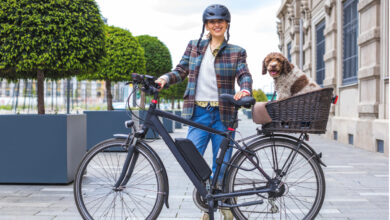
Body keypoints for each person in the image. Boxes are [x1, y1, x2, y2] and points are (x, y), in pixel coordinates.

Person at [155, 4, 252, 220]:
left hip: (223, 114)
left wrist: (245, 88)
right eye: (211, 22)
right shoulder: (194, 46)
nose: (216, 25)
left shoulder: (237, 51)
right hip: (198, 113)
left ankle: (224, 205)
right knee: (192, 159)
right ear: (206, 25)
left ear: (227, 24)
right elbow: (181, 70)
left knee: (223, 163)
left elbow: (244, 74)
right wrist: (164, 79)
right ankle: (210, 197)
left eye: (220, 21)